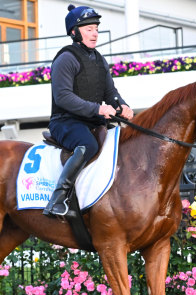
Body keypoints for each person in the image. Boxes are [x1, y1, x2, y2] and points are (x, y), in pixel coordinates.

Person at [43, 4, 134, 217]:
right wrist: (98, 109)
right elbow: (63, 97)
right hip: (65, 122)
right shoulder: (66, 58)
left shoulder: (99, 59)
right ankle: (57, 200)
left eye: (96, 29)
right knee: (88, 145)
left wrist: (123, 106)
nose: (94, 34)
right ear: (74, 32)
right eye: (88, 29)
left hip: (92, 121)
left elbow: (110, 93)